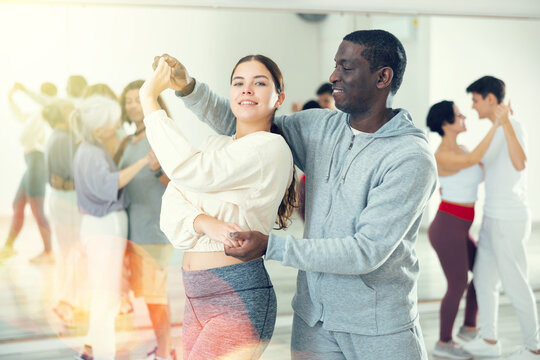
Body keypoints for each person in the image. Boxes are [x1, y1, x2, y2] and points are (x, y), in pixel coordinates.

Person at [156, 28, 437, 360]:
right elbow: (248, 120)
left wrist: (271, 245)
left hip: (378, 328)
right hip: (313, 322)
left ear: (382, 77)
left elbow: (365, 251)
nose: (333, 75)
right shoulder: (321, 128)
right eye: (335, 65)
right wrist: (188, 88)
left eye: (346, 67)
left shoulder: (410, 158)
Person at [140, 55, 295, 359]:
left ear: (279, 98)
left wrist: (149, 98)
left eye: (259, 83)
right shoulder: (215, 146)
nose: (247, 89)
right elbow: (171, 205)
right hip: (196, 295)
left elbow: (187, 170)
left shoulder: (271, 148)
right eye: (239, 83)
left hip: (237, 296)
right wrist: (203, 223)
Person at [462, 76, 540, 360]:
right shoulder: (494, 131)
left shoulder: (513, 126)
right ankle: (490, 339)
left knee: (515, 282)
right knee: (484, 279)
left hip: (509, 219)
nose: (473, 106)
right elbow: (480, 167)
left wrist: (506, 123)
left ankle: (534, 347)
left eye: (475, 100)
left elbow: (520, 163)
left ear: (490, 99)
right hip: (492, 216)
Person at [71, 96, 149, 360]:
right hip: (104, 228)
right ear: (97, 130)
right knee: (106, 298)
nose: (117, 125)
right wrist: (141, 162)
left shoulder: (90, 148)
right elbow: (110, 185)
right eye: (112, 123)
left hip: (99, 228)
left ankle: (91, 348)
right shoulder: (91, 153)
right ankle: (103, 354)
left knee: (105, 294)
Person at [426, 100, 500, 360]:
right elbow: (472, 160)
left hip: (461, 226)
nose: (464, 117)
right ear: (446, 124)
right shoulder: (442, 155)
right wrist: (497, 125)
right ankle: (443, 342)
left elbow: (478, 162)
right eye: (458, 115)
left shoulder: (463, 147)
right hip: (447, 226)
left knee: (483, 271)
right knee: (457, 283)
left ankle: (469, 328)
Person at [116, 80, 176, 360]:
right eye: (127, 100)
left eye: (135, 99)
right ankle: (163, 347)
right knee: (145, 299)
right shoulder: (128, 141)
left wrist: (156, 171)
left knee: (155, 299)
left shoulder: (160, 135)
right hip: (132, 233)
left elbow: (176, 186)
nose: (131, 105)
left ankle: (165, 352)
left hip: (153, 233)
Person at [41, 98, 86, 325]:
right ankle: (66, 302)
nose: (74, 109)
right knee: (74, 253)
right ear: (60, 114)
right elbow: (73, 176)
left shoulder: (60, 138)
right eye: (68, 107)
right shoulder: (63, 140)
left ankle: (68, 301)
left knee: (71, 253)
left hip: (63, 201)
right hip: (67, 203)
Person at [0, 82, 55, 264]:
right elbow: (20, 115)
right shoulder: (37, 114)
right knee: (18, 204)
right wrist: (10, 99)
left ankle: (48, 252)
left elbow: (44, 102)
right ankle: (8, 247)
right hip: (31, 163)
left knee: (36, 208)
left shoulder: (49, 110)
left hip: (37, 162)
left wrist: (23, 89)